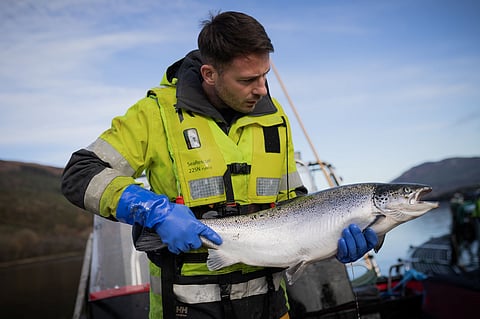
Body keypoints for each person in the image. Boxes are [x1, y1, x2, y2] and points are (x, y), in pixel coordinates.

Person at [62, 11, 377, 319]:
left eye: (265, 75)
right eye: (248, 80)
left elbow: (294, 201)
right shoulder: (155, 113)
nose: (262, 89)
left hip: (271, 307)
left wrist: (334, 235)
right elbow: (80, 173)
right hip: (188, 307)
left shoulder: (275, 117)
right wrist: (153, 212)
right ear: (210, 74)